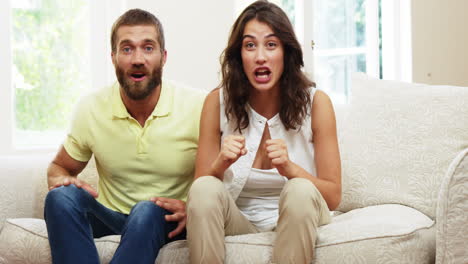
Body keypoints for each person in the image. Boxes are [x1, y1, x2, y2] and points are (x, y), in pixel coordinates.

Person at [44, 8, 205, 264]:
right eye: (127, 49)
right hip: (111, 216)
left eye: (148, 48)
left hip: (165, 221)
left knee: (145, 210)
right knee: (60, 197)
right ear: (114, 58)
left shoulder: (198, 106)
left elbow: (220, 179)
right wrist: (64, 180)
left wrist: (196, 210)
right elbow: (58, 168)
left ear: (163, 57)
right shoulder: (91, 108)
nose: (137, 59)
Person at [186, 1, 341, 263]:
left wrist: (290, 168)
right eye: (250, 45)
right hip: (239, 219)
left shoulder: (317, 103)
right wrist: (221, 163)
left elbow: (334, 196)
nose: (260, 56)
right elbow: (200, 191)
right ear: (239, 56)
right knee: (204, 189)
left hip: (300, 213)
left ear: (285, 52)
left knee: (300, 190)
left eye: (271, 44)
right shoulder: (217, 102)